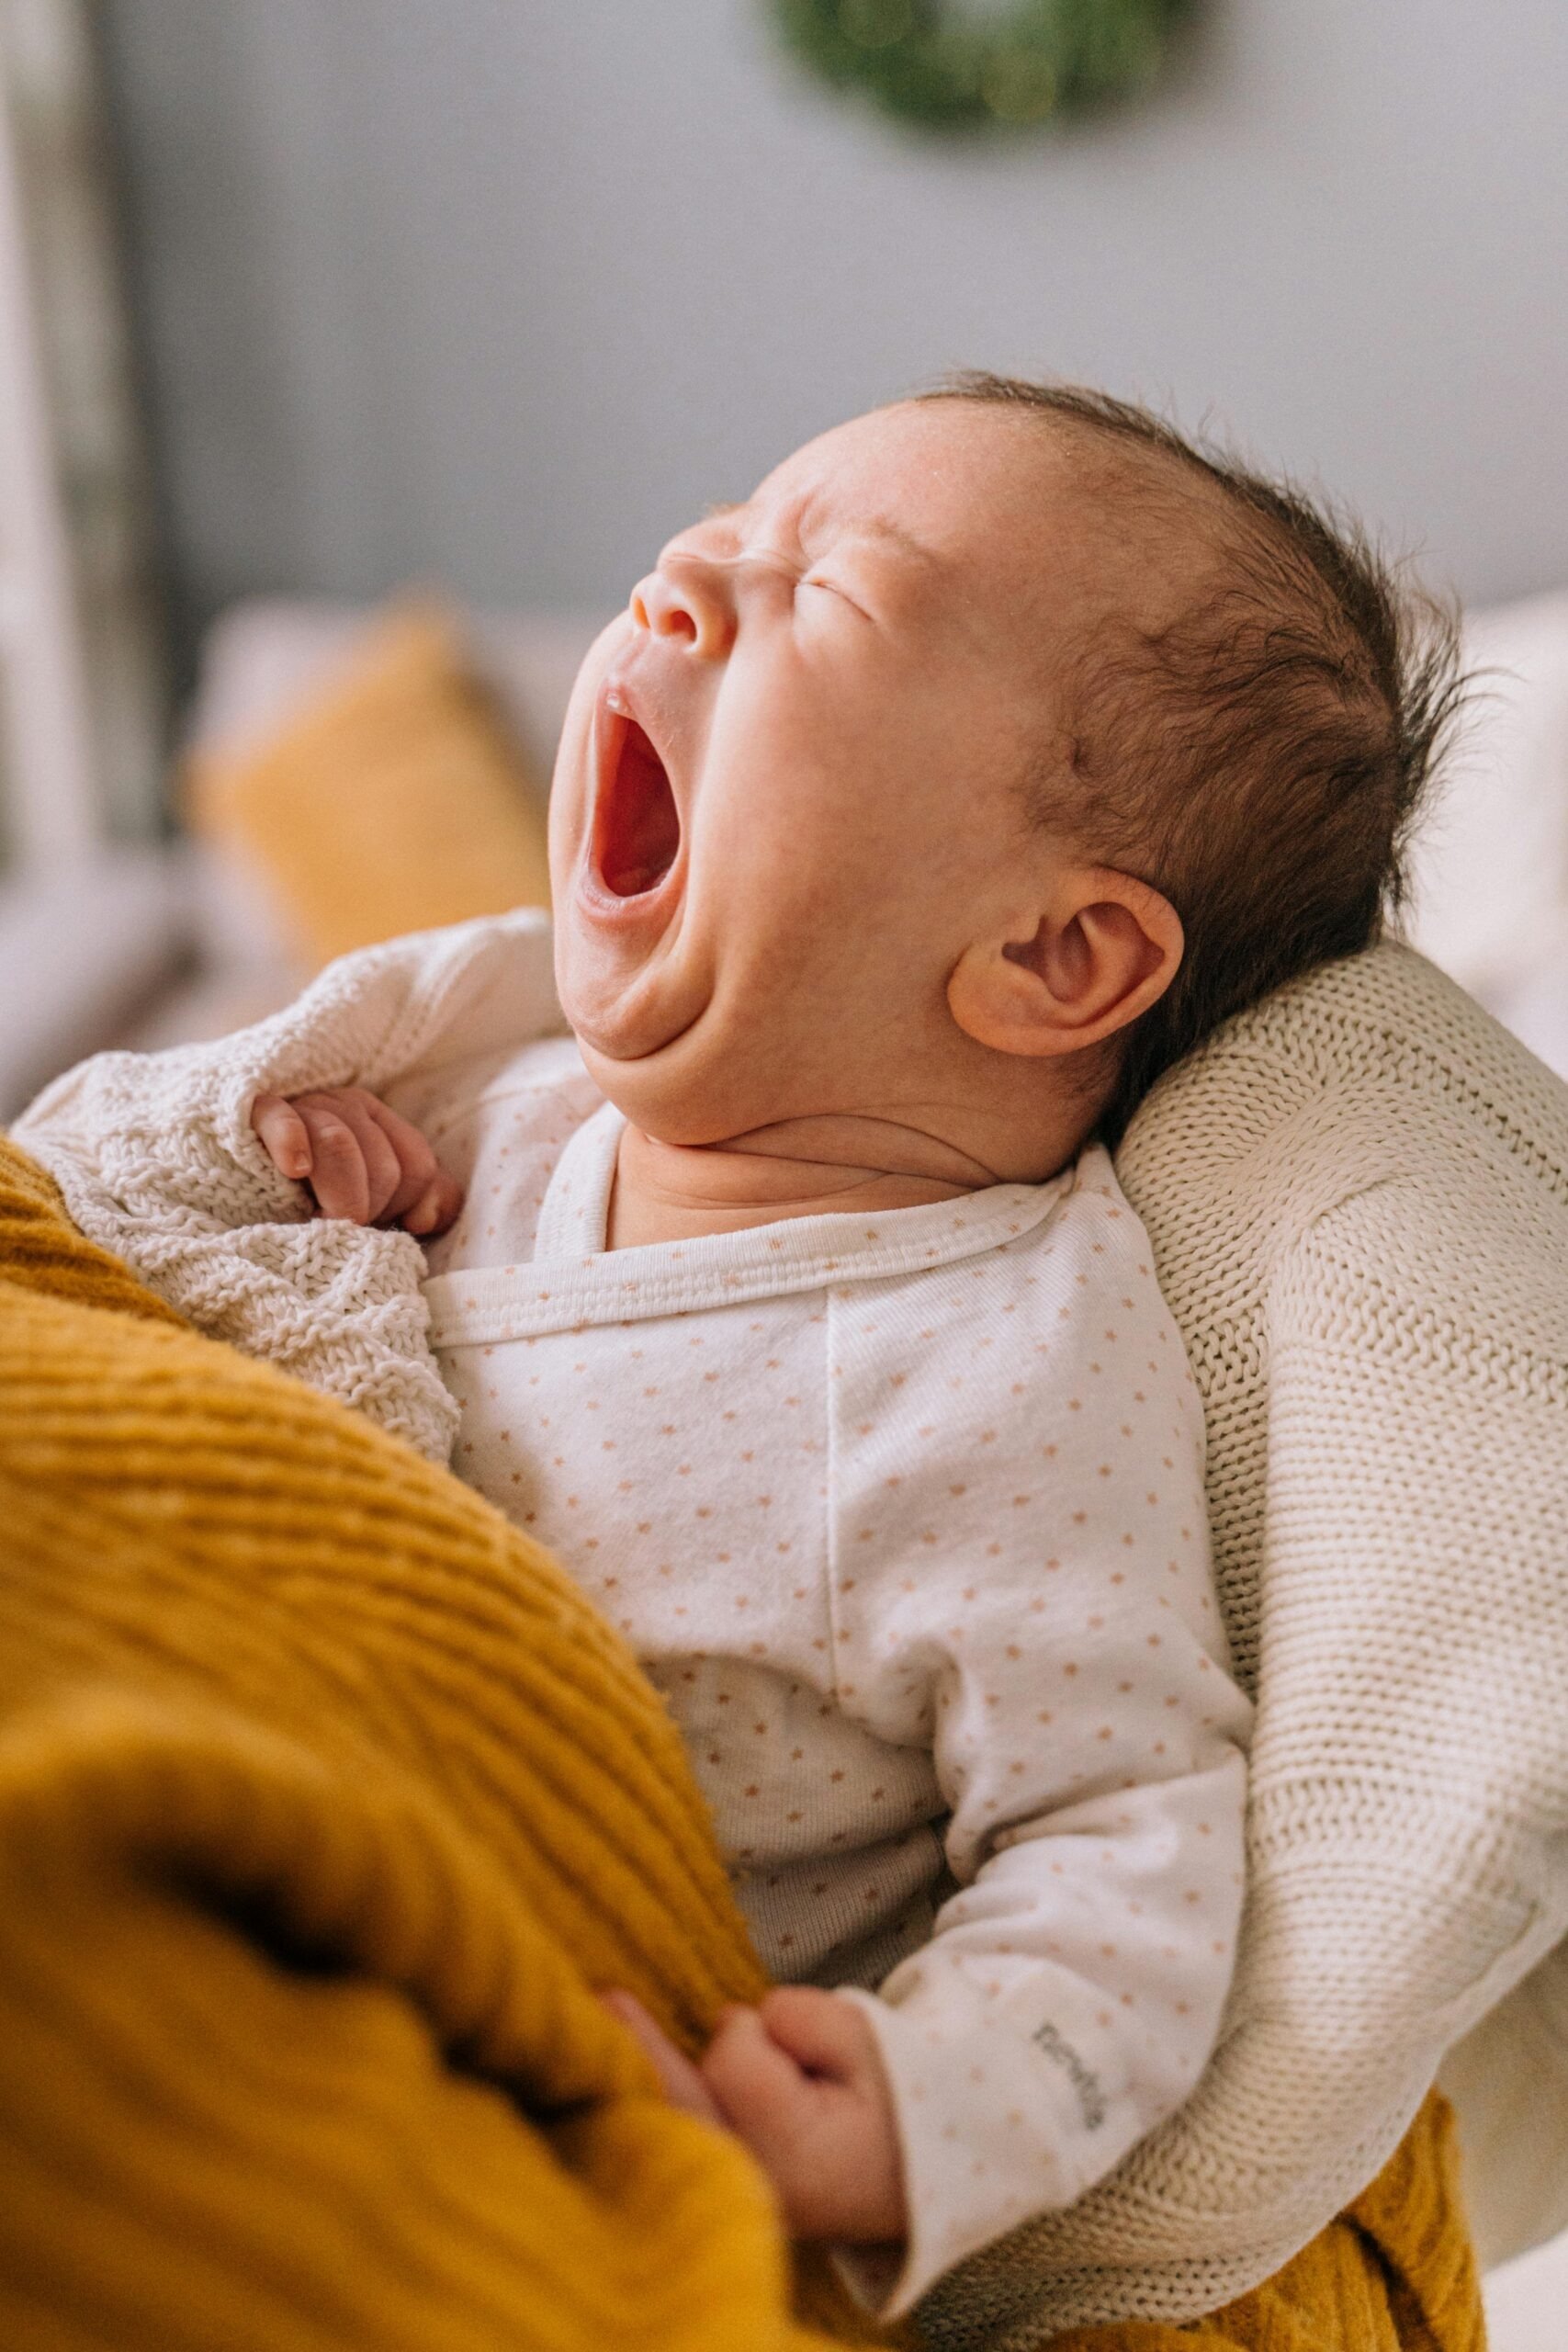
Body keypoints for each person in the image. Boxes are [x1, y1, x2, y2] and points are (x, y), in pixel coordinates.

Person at [17, 377, 1458, 2320]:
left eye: (824, 591)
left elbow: (1122, 1843)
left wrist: (909, 2104)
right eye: (723, 520)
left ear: (1053, 957)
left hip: (559, 2010)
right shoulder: (482, 1081)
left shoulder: (1001, 1366)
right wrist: (247, 1163)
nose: (683, 572)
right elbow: (72, 1208)